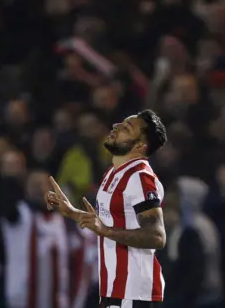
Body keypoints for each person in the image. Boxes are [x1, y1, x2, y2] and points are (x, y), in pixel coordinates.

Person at [46, 109, 168, 308]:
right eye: (121, 123)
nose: (116, 127)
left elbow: (157, 236)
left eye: (126, 128)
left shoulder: (140, 177)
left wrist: (106, 231)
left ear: (139, 145)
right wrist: (72, 212)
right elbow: (111, 222)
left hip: (133, 290)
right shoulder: (113, 172)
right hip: (113, 287)